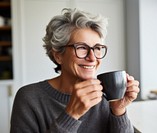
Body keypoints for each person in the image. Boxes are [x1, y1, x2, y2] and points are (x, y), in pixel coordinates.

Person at [10, 8, 140, 133]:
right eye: (82, 47)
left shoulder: (107, 95)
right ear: (58, 55)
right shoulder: (29, 98)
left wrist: (118, 110)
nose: (92, 57)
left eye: (97, 48)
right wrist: (71, 114)